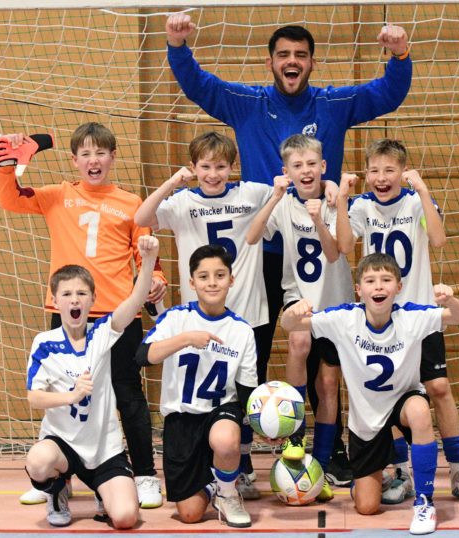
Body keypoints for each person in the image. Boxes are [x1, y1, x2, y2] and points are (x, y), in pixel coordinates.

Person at [166, 13, 413, 480]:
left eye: (300, 55)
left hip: (319, 243)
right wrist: (178, 46)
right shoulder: (246, 102)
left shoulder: (333, 103)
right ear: (270, 62)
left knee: (327, 360)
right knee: (249, 349)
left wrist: (399, 55)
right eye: (284, 55)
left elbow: (386, 93)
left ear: (312, 63)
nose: (292, 61)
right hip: (262, 251)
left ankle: (328, 449)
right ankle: (234, 457)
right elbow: (199, 85)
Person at [0, 122, 166, 508]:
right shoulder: (58, 195)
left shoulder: (131, 202)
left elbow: (145, 253)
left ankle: (144, 475)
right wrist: (7, 165)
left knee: (128, 394)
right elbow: (11, 201)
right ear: (74, 161)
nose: (93, 160)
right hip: (68, 312)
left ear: (113, 157)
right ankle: (57, 478)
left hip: (118, 315)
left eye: (100, 152)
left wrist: (155, 277)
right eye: (85, 153)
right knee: (62, 394)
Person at [336, 138, 459, 505]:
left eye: (389, 170)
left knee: (440, 389)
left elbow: (438, 239)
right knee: (390, 394)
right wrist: (340, 200)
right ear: (365, 173)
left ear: (403, 171)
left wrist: (425, 190)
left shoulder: (417, 200)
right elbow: (342, 245)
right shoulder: (363, 205)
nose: (381, 177)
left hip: (418, 314)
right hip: (382, 316)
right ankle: (401, 471)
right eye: (374, 170)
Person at [281, 253, 459, 535]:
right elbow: (289, 326)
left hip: (402, 406)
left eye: (386, 280)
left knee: (419, 409)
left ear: (399, 286)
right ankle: (370, 478)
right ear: (359, 289)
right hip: (366, 423)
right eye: (370, 281)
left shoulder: (411, 317)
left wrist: (450, 299)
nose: (378, 287)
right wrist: (293, 312)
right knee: (367, 506)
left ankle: (424, 502)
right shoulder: (344, 318)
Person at [133, 131, 269, 499]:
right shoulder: (182, 200)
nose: (213, 174)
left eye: (221, 167)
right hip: (201, 314)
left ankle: (242, 467)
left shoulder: (251, 193)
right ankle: (214, 471)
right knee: (205, 388)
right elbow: (141, 217)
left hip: (248, 312)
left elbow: (286, 191)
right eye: (205, 166)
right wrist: (173, 182)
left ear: (232, 167)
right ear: (193, 167)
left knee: (242, 394)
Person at [24, 234, 160, 529]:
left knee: (125, 518)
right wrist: (69, 397)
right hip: (63, 447)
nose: (75, 299)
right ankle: (57, 489)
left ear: (92, 300)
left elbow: (135, 300)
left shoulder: (102, 334)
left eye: (82, 294)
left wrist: (148, 261)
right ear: (55, 300)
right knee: (37, 461)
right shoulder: (45, 343)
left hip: (103, 450)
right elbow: (34, 397)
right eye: (68, 294)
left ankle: (103, 489)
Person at [245, 134, 353, 501]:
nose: (305, 171)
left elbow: (337, 254)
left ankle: (322, 458)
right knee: (298, 340)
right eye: (297, 166)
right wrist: (275, 196)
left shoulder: (338, 201)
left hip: (336, 302)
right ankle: (294, 440)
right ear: (287, 171)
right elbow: (252, 236)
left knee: (327, 384)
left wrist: (322, 216)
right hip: (299, 296)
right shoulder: (284, 203)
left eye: (311, 164)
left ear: (323, 167)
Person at [134, 244, 259, 529]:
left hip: (219, 413)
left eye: (219, 275)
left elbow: (247, 393)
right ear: (192, 282)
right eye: (203, 277)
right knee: (189, 515)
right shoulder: (176, 318)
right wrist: (186, 338)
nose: (212, 282)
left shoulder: (242, 331)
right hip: (182, 421)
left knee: (227, 439)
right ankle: (215, 484)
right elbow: (143, 357)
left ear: (231, 279)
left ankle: (228, 494)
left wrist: (259, 428)